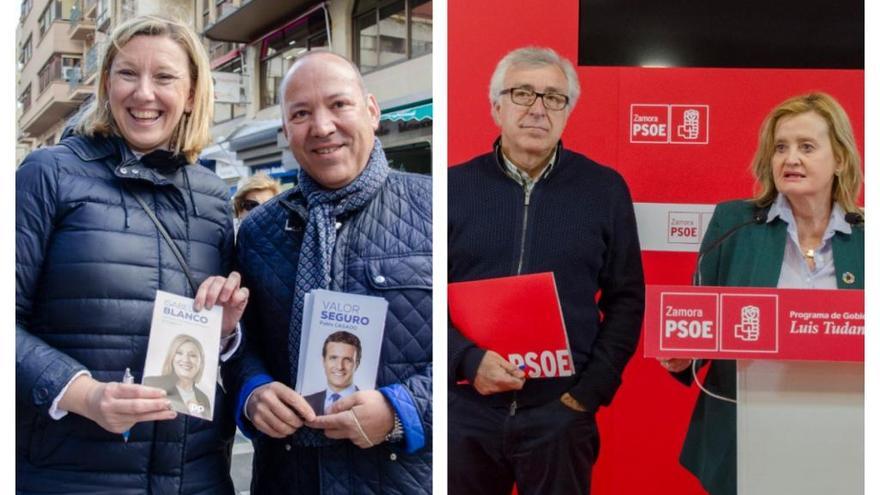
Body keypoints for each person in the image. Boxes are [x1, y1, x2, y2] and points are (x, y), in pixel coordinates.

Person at [16, 15, 249, 494]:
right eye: (127, 74)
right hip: (71, 473)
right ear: (106, 85)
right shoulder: (47, 174)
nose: (144, 94)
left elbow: (212, 333)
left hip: (196, 476)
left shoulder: (210, 194)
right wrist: (82, 394)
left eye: (164, 77)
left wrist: (224, 330)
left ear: (190, 94)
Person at [221, 51, 432, 494]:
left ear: (372, 111)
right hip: (290, 478)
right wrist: (254, 392)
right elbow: (241, 344)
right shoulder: (259, 231)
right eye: (301, 113)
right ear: (285, 130)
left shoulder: (437, 208)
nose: (321, 127)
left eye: (339, 105)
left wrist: (403, 409)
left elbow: (475, 354)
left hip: (402, 478)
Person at [448, 46, 645, 495]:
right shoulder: (453, 189)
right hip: (465, 411)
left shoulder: (604, 189)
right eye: (522, 94)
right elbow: (425, 293)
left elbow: (627, 298)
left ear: (568, 111)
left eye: (554, 98)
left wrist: (587, 394)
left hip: (560, 415)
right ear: (496, 106)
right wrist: (466, 359)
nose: (538, 109)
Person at [659, 92, 864, 495]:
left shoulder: (866, 237)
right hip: (745, 426)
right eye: (781, 148)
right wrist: (682, 353)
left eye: (807, 147)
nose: (790, 159)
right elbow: (701, 321)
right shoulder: (734, 224)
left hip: (844, 430)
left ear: (839, 158)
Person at [143, 334, 213, 420]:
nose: (186, 359)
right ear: (171, 357)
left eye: (192, 355)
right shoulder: (150, 384)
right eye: (179, 353)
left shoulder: (204, 398)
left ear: (201, 362)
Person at [303, 331, 362, 415]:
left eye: (347, 360)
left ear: (357, 364)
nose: (339, 367)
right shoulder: (306, 401)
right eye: (333, 358)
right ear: (324, 361)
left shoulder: (367, 406)